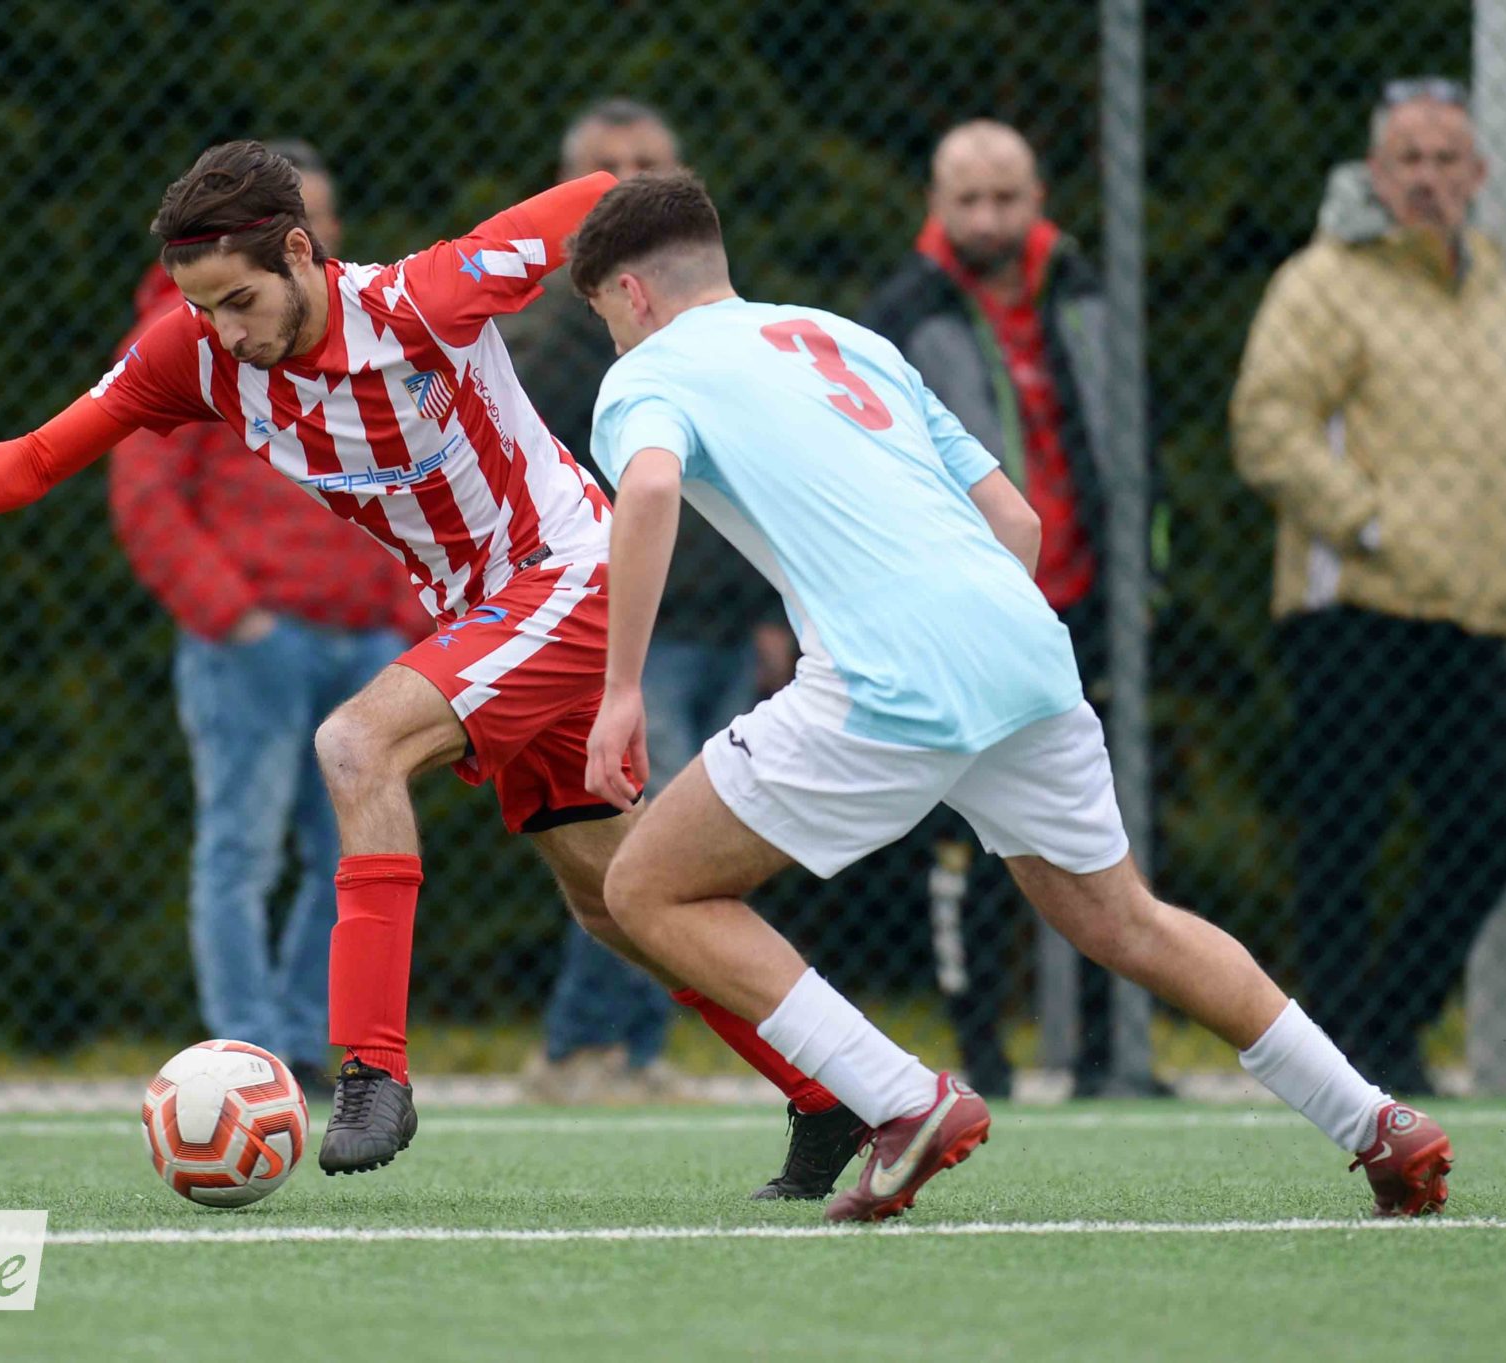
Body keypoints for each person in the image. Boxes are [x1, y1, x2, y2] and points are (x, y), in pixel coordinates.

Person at [0, 141, 864, 1192]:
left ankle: (372, 1071)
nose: (224, 331)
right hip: (491, 618)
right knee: (621, 900)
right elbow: (53, 446)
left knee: (357, 743)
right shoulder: (200, 352)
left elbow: (607, 197)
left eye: (238, 301)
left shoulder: (426, 298)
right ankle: (834, 1092)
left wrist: (694, 315)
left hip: (568, 575)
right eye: (203, 309)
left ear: (299, 252)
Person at [574, 171, 1451, 1222]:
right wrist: (967, 676)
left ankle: (902, 1100)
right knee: (1129, 918)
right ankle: (1375, 1120)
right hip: (1023, 647)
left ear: (631, 294)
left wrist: (620, 690)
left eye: (605, 318)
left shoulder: (648, 371)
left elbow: (651, 487)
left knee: (645, 888)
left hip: (883, 674)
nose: (613, 340)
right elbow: (1018, 522)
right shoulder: (848, 338)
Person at [1231, 79, 1506, 1097]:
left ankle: (1388, 1025)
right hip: (1353, 604)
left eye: (1445, 159)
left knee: (1494, 820)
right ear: (1374, 171)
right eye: (1406, 158)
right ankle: (1332, 1062)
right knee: (1346, 829)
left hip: (1469, 602)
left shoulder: (1495, 285)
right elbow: (1267, 424)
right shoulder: (1323, 281)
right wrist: (1368, 523)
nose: (1425, 178)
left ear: (1476, 174)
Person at [107, 139, 417, 1102]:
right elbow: (147, 493)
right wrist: (233, 615)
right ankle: (244, 1056)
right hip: (253, 640)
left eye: (315, 219)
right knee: (240, 847)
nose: (307, 235)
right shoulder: (181, 343)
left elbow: (413, 469)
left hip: (367, 639)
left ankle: (306, 1044)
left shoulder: (362, 329)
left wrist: (404, 613)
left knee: (351, 852)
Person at [500, 98, 794, 1110]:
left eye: (647, 164)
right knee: (641, 840)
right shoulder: (549, 339)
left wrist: (771, 610)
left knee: (689, 844)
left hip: (722, 622)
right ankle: (577, 1046)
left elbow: (753, 478)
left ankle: (636, 1048)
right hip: (630, 630)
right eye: (605, 166)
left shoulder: (717, 327)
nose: (626, 180)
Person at [864, 119, 1166, 1098]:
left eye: (1006, 198)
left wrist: (1142, 582)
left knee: (1096, 828)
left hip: (1084, 604)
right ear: (935, 205)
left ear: (1037, 198)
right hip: (964, 613)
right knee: (965, 834)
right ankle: (980, 1058)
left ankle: (1105, 1060)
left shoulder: (1087, 296)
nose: (988, 219)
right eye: (969, 200)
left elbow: (1137, 444)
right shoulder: (897, 315)